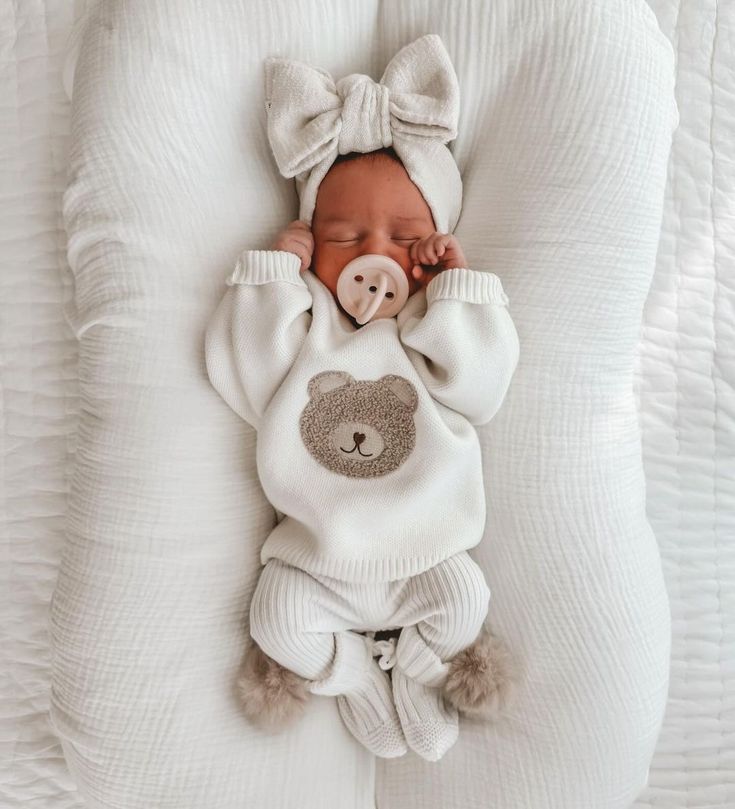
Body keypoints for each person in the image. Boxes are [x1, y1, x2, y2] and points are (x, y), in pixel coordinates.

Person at [204, 34, 520, 762]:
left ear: (433, 240)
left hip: (425, 554)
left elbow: (483, 386)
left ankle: (419, 675)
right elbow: (240, 371)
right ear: (313, 240)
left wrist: (455, 288)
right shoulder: (307, 328)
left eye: (405, 235)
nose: (374, 254)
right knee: (275, 622)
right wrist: (274, 276)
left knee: (465, 601)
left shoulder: (424, 329)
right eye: (343, 235)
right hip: (314, 562)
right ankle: (353, 680)